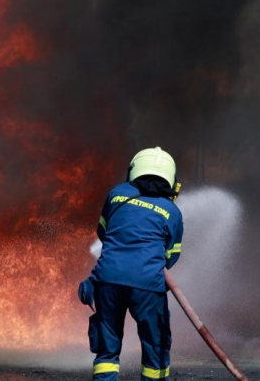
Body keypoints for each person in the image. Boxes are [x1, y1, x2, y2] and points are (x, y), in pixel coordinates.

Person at [78, 147, 184, 381]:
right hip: (147, 284)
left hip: (107, 280)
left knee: (107, 348)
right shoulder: (172, 211)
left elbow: (103, 233)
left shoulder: (116, 195)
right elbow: (171, 256)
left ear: (134, 170)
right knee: (156, 345)